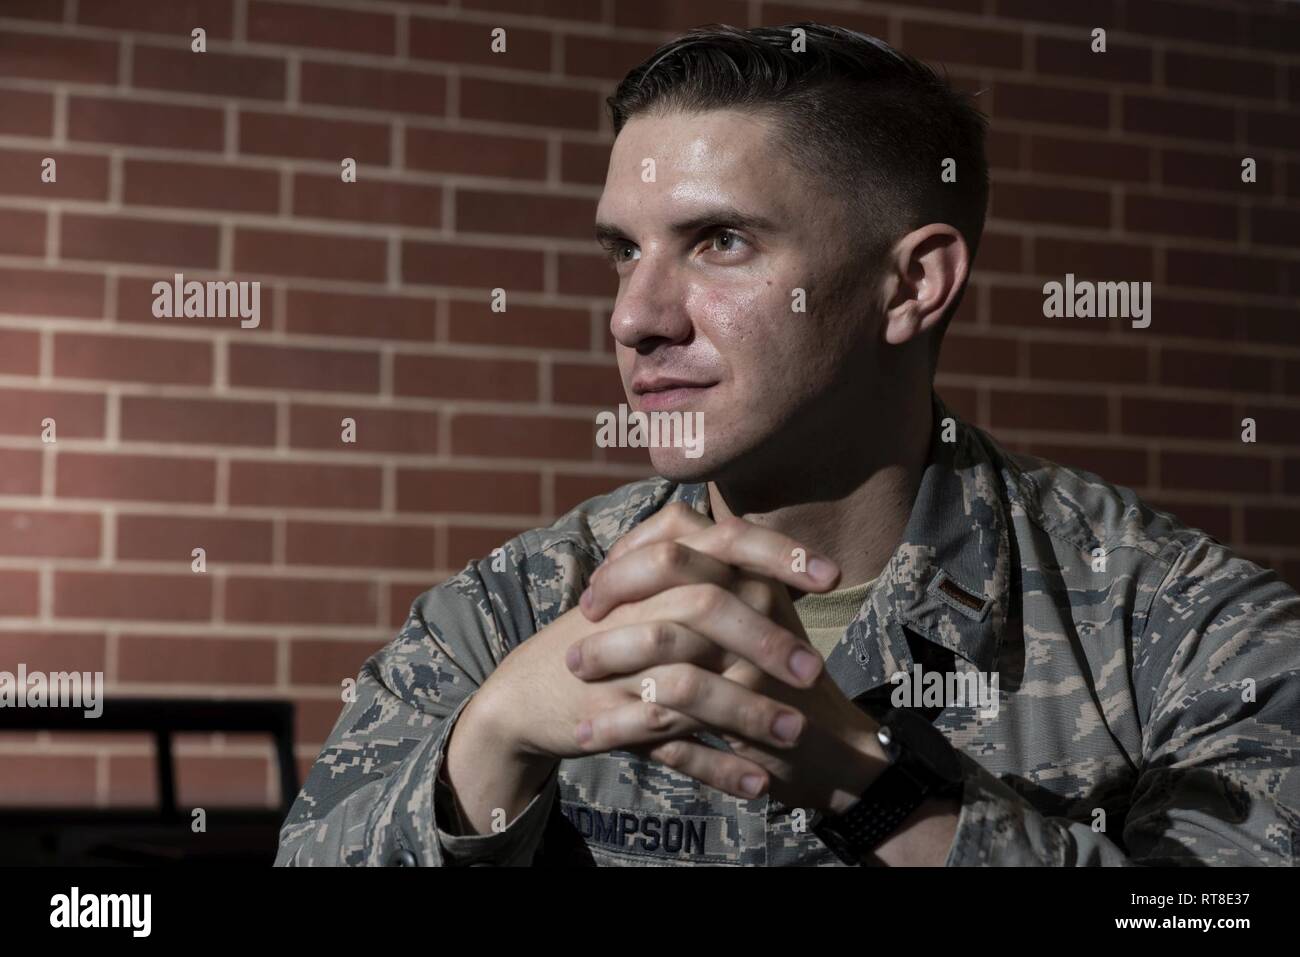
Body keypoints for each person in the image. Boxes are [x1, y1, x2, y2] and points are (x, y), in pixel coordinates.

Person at [275, 23, 1300, 866]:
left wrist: (880, 802)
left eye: (719, 242)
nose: (635, 317)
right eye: (624, 251)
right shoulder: (518, 607)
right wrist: (485, 754)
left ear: (912, 286)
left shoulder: (1180, 632)